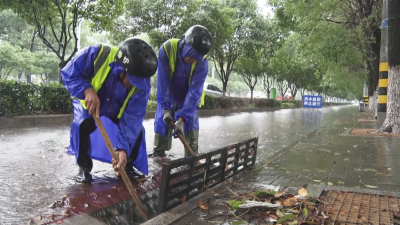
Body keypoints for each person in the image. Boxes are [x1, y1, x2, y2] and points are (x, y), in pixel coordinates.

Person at [61, 37, 158, 183]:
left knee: (138, 131)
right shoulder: (98, 54)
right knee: (81, 125)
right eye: (132, 80)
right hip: (90, 105)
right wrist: (86, 89)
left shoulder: (142, 83)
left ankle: (127, 165)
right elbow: (69, 73)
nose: (133, 86)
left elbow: (132, 119)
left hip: (117, 110)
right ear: (122, 70)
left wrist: (122, 149)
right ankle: (84, 167)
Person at [152, 25, 212, 157]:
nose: (192, 61)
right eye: (191, 56)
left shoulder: (202, 62)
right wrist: (166, 108)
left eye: (196, 58)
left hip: (189, 97)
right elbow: (163, 82)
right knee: (162, 121)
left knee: (191, 126)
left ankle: (191, 160)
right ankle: (158, 155)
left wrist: (181, 120)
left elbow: (194, 92)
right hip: (170, 93)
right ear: (184, 43)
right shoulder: (167, 49)